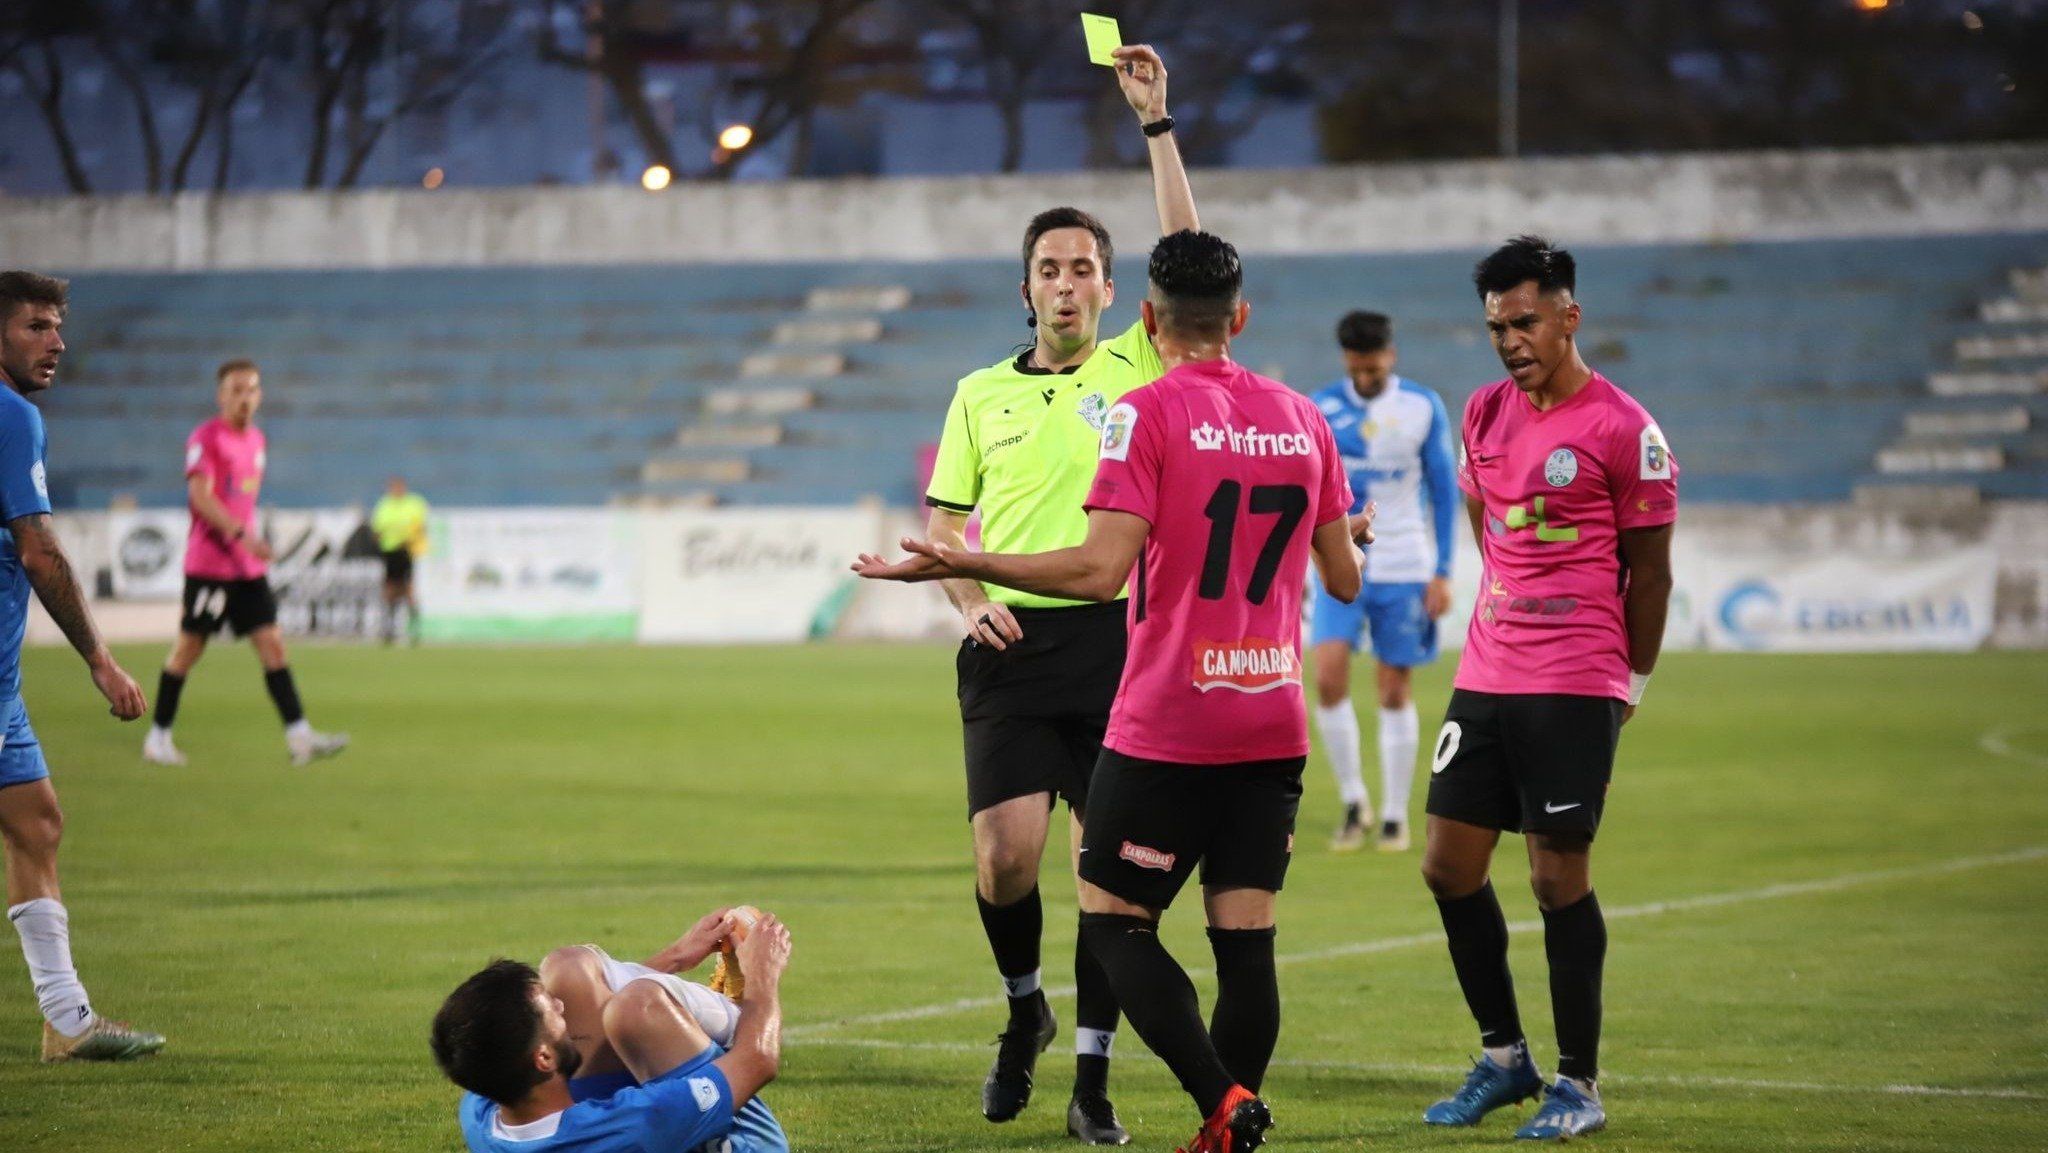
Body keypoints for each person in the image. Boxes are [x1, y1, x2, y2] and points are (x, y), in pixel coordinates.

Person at [859, 230, 1374, 1153]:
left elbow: (1101, 572)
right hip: (1269, 710)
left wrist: (969, 557)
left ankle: (1200, 1098)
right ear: (1241, 318)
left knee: (1110, 912)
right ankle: (1222, 1120)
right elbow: (1341, 579)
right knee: (1243, 934)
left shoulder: (1145, 408)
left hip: (1165, 701)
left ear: (1138, 313)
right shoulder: (1305, 416)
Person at [914, 42, 1196, 1145]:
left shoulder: (1137, 366)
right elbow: (941, 523)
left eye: (1085, 268)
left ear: (1112, 292)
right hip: (1010, 646)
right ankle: (1024, 1008)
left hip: (1123, 644)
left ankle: (1089, 1079)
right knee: (1004, 858)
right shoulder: (978, 393)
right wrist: (958, 594)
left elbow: (1187, 248)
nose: (1067, 283)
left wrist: (1154, 125)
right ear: (1024, 286)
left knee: (1101, 876)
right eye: (1050, 268)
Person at [1418, 236, 1677, 1140]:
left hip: (1575, 677)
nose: (1510, 340)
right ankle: (1503, 1059)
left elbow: (1651, 575)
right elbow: (1487, 522)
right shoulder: (1484, 412)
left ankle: (1579, 1083)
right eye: (1496, 325)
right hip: (1488, 669)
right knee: (1447, 866)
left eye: (1525, 321)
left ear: (1569, 315)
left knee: (1555, 876)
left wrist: (1628, 683)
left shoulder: (1623, 429)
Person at [0, 270, 166, 1061]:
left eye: (58, 325)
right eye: (36, 325)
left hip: (5, 690)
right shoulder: (9, 415)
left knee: (38, 824)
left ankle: (67, 1023)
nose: (57, 341)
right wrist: (100, 659)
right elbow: (39, 552)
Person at [431, 908, 792, 1153]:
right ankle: (725, 1018)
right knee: (642, 1005)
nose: (560, 1005)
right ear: (542, 1058)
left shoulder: (482, 1112)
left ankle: (686, 1013)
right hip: (742, 1142)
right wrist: (762, 972)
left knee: (568, 968)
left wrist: (676, 957)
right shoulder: (633, 1125)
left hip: (598, 1114)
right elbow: (758, 1061)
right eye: (551, 1010)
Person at [141, 359, 349, 768]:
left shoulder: (256, 440)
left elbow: (241, 497)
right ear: (221, 396)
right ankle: (158, 737)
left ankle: (300, 737)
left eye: (251, 389)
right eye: (236, 390)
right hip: (211, 568)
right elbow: (201, 497)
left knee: (273, 645)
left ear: (260, 395)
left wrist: (251, 542)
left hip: (247, 568)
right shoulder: (207, 438)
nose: (244, 398)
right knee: (188, 649)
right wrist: (242, 534)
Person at [1307, 311, 1457, 852]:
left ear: (1390, 356)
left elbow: (1444, 490)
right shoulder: (1319, 407)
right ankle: (1354, 803)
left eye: (1373, 367)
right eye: (1357, 368)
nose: (1365, 377)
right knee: (1326, 678)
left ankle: (1394, 814)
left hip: (1404, 565)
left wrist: (1443, 571)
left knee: (1394, 689)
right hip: (1338, 559)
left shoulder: (1421, 406)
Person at [370, 476, 429, 645]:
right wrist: (379, 544)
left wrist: (412, 540)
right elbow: (377, 529)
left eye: (399, 487)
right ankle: (388, 629)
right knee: (390, 590)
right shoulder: (384, 505)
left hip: (406, 551)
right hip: (389, 552)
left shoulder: (414, 503)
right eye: (393, 487)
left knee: (408, 590)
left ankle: (414, 630)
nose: (396, 490)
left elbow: (421, 527)